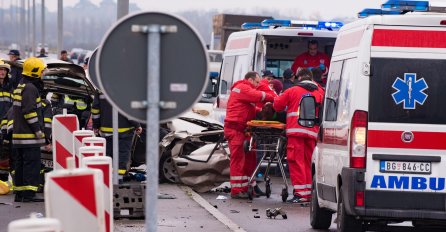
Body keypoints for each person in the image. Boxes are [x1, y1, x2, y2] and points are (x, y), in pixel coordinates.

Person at [273, 68, 324, 204]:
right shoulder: (320, 91)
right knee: (308, 163)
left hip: (296, 132)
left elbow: (277, 105)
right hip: (312, 133)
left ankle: (301, 194)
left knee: (296, 162)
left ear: (299, 77)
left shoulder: (293, 90)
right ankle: (308, 193)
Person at [224, 71, 275, 199]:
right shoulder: (242, 88)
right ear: (250, 80)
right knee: (238, 160)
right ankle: (236, 190)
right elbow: (258, 96)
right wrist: (275, 98)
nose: (258, 85)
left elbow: (249, 108)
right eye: (257, 82)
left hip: (243, 130)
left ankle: (245, 187)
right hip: (236, 129)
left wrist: (261, 112)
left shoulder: (244, 90)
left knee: (248, 160)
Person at [12, 57, 47, 202]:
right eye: (42, 71)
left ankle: (20, 193)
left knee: (20, 165)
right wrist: (37, 130)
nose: (43, 74)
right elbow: (30, 112)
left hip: (19, 136)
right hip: (29, 137)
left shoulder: (21, 85)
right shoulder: (30, 88)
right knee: (32, 165)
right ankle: (29, 194)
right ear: (34, 72)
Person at [92, 91, 142, 174]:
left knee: (108, 156)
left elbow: (95, 109)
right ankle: (119, 178)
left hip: (106, 131)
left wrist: (96, 125)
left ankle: (107, 178)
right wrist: (137, 125)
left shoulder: (100, 88)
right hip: (124, 131)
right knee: (122, 156)